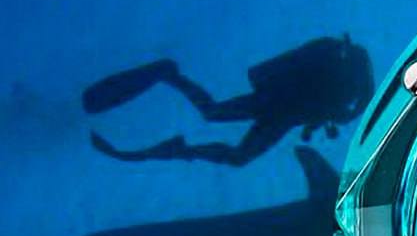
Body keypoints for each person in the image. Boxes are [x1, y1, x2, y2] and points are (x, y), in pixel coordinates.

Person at [82, 34, 372, 166]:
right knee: (232, 147)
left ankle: (170, 78)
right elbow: (332, 114)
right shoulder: (345, 91)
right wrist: (345, 112)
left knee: (214, 116)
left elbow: (325, 112)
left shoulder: (338, 71)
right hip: (277, 111)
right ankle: (179, 140)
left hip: (274, 106)